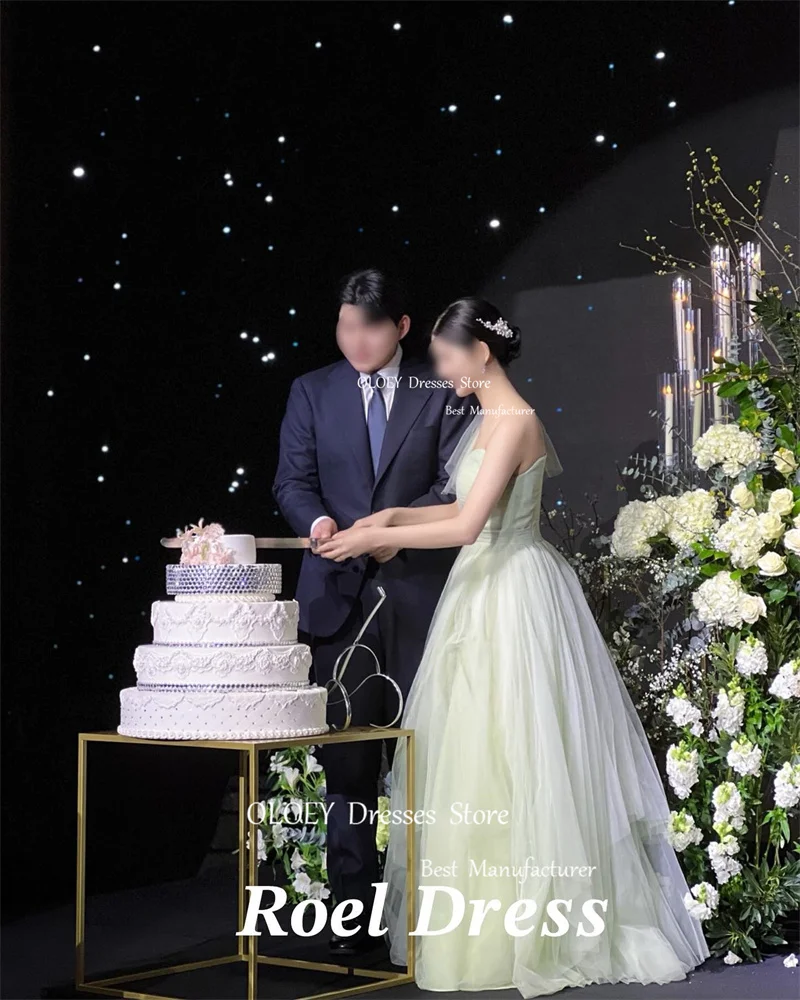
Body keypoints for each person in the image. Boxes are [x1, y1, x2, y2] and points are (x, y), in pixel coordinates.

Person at [316, 297, 710, 995]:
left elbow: (470, 526)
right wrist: (393, 514)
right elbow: (458, 508)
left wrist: (383, 536)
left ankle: (535, 928)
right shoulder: (483, 422)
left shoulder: (515, 420)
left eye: (444, 356)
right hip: (479, 590)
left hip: (513, 591)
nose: (438, 369)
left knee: (522, 753)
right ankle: (483, 925)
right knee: (476, 755)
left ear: (481, 353)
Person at [272, 268, 474, 955]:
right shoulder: (312, 389)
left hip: (420, 595)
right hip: (337, 597)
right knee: (349, 766)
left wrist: (392, 530)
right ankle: (352, 921)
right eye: (345, 326)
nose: (356, 340)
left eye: (371, 327)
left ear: (403, 328)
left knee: (428, 761)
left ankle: (427, 919)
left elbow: (457, 484)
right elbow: (292, 481)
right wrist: (322, 520)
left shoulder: (437, 387)